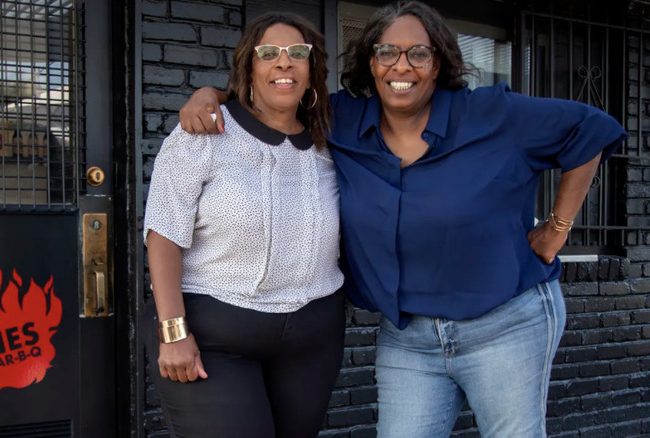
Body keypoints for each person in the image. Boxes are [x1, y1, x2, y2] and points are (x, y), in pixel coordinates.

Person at [177, 2, 628, 437]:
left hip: (506, 321)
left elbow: (592, 130)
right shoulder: (344, 120)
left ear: (438, 64)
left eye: (418, 53)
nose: (402, 66)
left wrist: (556, 229)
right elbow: (277, 92)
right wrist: (210, 94)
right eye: (387, 52)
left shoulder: (492, 115)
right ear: (371, 63)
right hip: (408, 335)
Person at [143, 12, 345, 438]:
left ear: (313, 70)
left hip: (312, 341)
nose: (284, 63)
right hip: (215, 337)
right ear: (249, 67)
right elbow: (163, 234)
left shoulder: (332, 141)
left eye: (298, 54)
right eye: (268, 53)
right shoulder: (203, 132)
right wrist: (172, 330)